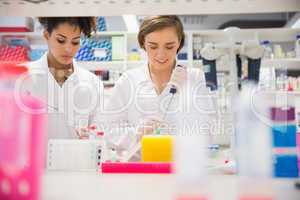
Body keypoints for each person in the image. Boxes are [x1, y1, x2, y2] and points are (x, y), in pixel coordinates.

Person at [104, 15, 216, 160]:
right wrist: (138, 132)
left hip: (179, 169)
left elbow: (208, 133)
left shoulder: (194, 77)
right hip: (137, 170)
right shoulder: (129, 80)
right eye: (153, 46)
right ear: (143, 43)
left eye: (169, 46)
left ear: (179, 43)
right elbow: (110, 133)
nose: (161, 54)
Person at [23, 17, 103, 139]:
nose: (68, 49)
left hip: (77, 157)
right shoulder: (24, 78)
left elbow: (98, 131)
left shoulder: (92, 82)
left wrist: (91, 135)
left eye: (75, 42)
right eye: (61, 40)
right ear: (46, 36)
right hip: (37, 158)